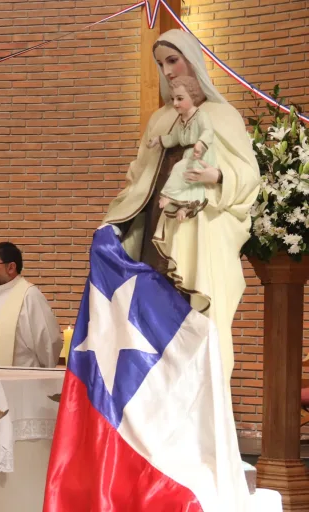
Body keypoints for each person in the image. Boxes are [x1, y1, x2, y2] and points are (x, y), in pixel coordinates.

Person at [102, 29, 260, 384]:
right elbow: (136, 178)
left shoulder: (222, 115)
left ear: (193, 60)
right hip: (153, 236)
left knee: (199, 330)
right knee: (152, 333)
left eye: (173, 60)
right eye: (161, 64)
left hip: (198, 237)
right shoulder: (160, 120)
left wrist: (216, 175)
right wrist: (113, 221)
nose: (168, 71)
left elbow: (249, 176)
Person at [0, 242, 63, 367]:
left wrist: (44, 374)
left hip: (23, 380)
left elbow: (48, 342)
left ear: (11, 267)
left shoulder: (29, 295)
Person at [147, 76, 215, 221]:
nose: (175, 103)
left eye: (179, 98)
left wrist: (200, 144)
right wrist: (158, 140)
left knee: (179, 169)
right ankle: (185, 207)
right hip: (189, 156)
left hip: (202, 156)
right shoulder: (180, 120)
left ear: (193, 97)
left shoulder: (201, 116)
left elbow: (208, 131)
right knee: (188, 182)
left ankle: (167, 195)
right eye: (173, 99)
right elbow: (173, 138)